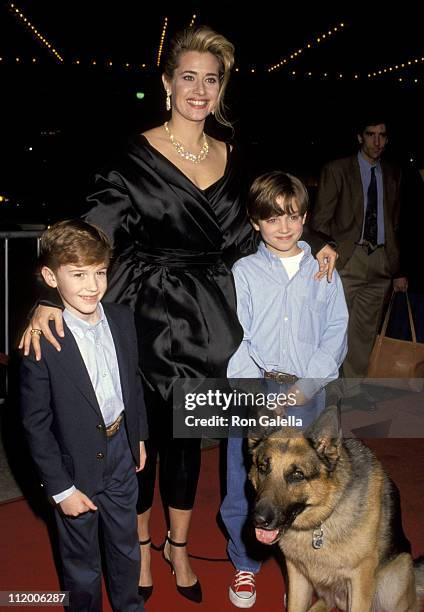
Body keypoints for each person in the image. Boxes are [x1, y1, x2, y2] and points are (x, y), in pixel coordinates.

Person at [19, 25, 337, 604]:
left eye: (210, 80)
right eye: (187, 77)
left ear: (221, 90)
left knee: (190, 440)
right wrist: (46, 298)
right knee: (145, 436)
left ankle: (180, 546)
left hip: (216, 317)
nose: (199, 89)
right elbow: (91, 232)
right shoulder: (132, 154)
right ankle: (139, 547)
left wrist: (315, 240)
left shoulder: (234, 158)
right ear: (167, 83)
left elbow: (262, 225)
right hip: (148, 312)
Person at [220, 171, 348, 608]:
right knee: (245, 481)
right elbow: (236, 335)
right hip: (256, 389)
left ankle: (311, 565)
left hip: (309, 394)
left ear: (306, 218)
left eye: (292, 216)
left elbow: (336, 331)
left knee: (308, 483)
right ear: (255, 222)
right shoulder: (245, 271)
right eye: (272, 218)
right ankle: (245, 565)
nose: (283, 226)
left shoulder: (323, 268)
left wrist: (307, 385)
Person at [20, 220, 148, 612]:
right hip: (74, 467)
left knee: (127, 549)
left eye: (99, 272)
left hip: (122, 451)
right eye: (78, 274)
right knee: (81, 565)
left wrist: (138, 435)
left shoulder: (122, 319)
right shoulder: (41, 339)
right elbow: (35, 424)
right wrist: (60, 489)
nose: (92, 285)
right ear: (50, 277)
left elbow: (133, 383)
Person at [311, 117, 407, 399]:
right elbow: (321, 219)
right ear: (359, 137)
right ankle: (320, 387)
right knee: (330, 327)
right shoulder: (338, 169)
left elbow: (396, 221)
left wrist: (398, 266)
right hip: (346, 259)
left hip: (380, 259)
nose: (377, 141)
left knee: (364, 332)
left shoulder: (393, 173)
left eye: (382, 135)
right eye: (371, 134)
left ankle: (351, 392)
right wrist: (325, 254)